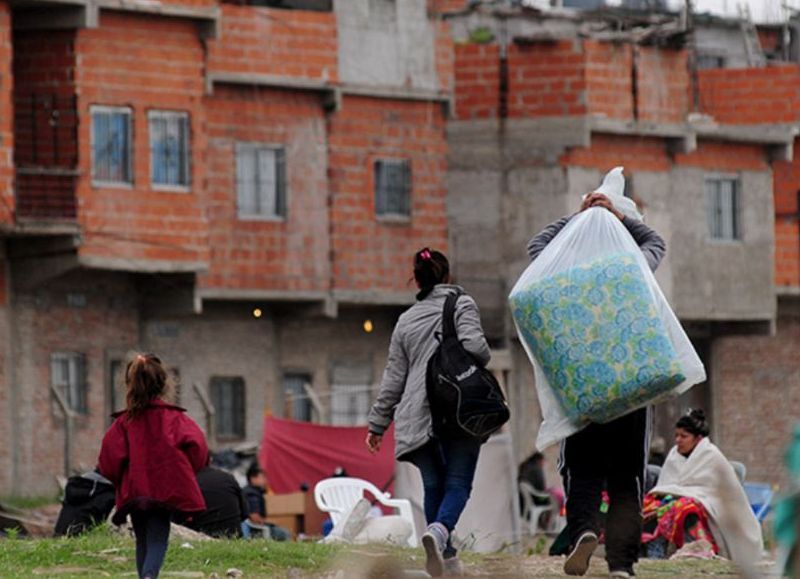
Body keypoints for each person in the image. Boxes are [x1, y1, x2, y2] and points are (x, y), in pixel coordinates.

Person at [527, 191, 666, 578]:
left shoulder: (564, 269)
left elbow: (536, 245)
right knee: (627, 479)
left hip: (582, 391)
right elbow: (656, 241)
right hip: (629, 389)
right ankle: (621, 563)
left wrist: (580, 217)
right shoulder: (632, 265)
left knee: (582, 471)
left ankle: (584, 532)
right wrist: (617, 218)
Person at [366, 247, 491, 577]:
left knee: (434, 485)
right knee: (458, 483)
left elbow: (394, 378)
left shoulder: (405, 321)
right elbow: (477, 349)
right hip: (458, 410)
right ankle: (439, 532)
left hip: (416, 415)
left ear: (417, 280)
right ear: (447, 277)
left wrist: (377, 424)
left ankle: (445, 559)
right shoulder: (462, 304)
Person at [98, 353, 208, 579]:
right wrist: (184, 472)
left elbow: (108, 461)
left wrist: (121, 480)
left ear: (129, 385)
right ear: (164, 383)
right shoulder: (175, 419)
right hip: (165, 490)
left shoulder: (123, 423)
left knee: (142, 539)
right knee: (158, 538)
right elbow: (198, 449)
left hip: (134, 492)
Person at [644, 410, 763, 570]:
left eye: (684, 436)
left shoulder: (712, 456)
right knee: (651, 506)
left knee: (686, 507)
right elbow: (666, 484)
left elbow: (718, 494)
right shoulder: (674, 455)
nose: (678, 440)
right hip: (675, 500)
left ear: (698, 438)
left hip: (709, 507)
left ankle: (695, 549)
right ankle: (654, 551)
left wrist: (687, 497)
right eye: (676, 435)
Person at [183, 465, 248, 538]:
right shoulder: (227, 478)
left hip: (200, 536)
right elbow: (245, 513)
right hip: (233, 537)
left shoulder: (187, 482)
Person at [241, 462, 291, 541]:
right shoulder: (252, 494)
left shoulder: (250, 491)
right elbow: (254, 517)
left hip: (252, 527)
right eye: (263, 477)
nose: (265, 480)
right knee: (284, 533)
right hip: (255, 529)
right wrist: (269, 522)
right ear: (253, 478)